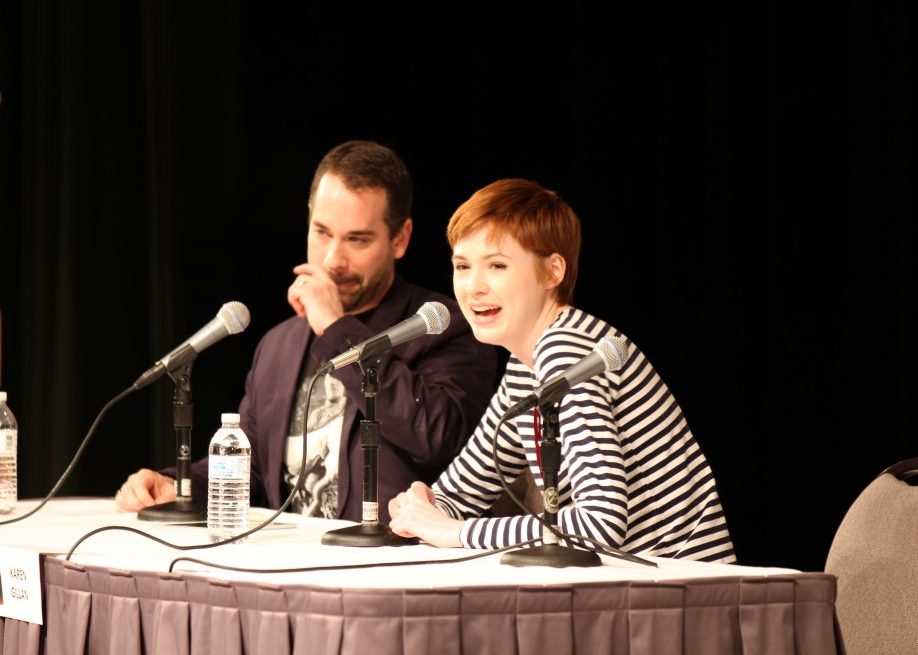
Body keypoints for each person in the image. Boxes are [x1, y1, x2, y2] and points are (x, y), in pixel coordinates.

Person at [116, 140, 499, 524]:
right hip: (292, 561)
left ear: (400, 239)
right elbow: (255, 471)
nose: (333, 259)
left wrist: (336, 330)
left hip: (391, 565)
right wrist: (179, 485)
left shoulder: (443, 324)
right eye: (321, 233)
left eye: (357, 239)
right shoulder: (279, 344)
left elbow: (439, 438)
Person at [387, 178, 736, 563]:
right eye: (463, 266)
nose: (473, 287)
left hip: (684, 591)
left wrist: (455, 531)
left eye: (497, 265)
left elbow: (599, 523)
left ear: (553, 272)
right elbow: (460, 492)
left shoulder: (566, 350)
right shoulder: (526, 362)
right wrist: (421, 504)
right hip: (637, 589)